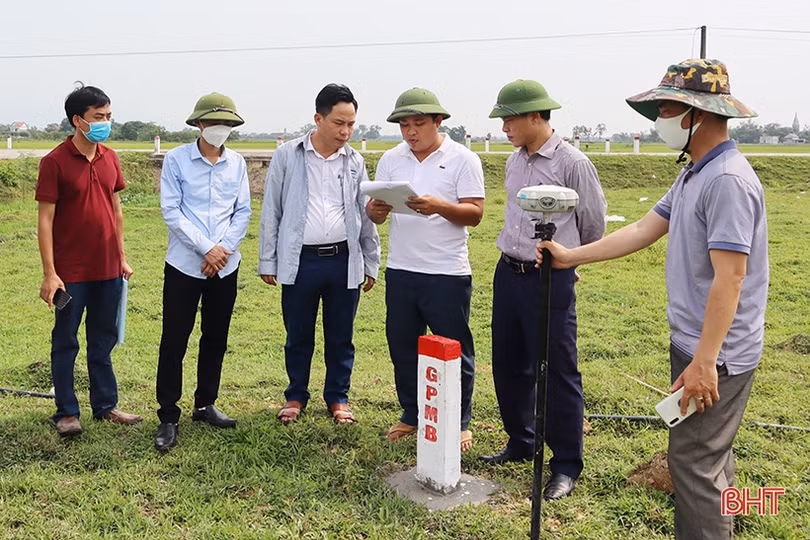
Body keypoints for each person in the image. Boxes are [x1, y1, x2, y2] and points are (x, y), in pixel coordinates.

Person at [537, 59, 767, 537]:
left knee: (692, 462)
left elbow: (732, 278)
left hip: (716, 352)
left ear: (698, 114)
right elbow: (644, 228)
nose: (660, 119)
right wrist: (569, 256)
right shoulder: (694, 174)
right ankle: (728, 521)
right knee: (711, 454)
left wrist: (705, 362)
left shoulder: (727, 181)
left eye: (667, 108)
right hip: (697, 341)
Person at [480, 80, 607, 501]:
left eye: (510, 119)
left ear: (536, 116)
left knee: (557, 369)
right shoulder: (514, 162)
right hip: (508, 272)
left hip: (549, 277)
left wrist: (572, 260)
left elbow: (593, 223)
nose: (505, 128)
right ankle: (521, 439)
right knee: (509, 361)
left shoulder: (573, 162)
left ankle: (566, 463)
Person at [366, 88, 485, 452]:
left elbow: (475, 214)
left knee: (454, 346)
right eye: (404, 125)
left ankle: (460, 420)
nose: (411, 132)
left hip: (446, 271)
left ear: (438, 121)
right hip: (402, 269)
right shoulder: (391, 159)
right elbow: (374, 210)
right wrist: (377, 212)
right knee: (402, 346)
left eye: (419, 123)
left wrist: (439, 206)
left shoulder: (463, 159)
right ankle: (412, 412)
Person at [259, 84, 380, 425]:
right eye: (339, 122)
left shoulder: (354, 160)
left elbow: (364, 212)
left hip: (343, 258)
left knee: (342, 334)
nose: (345, 131)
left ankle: (338, 398)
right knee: (298, 332)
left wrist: (370, 261)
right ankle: (295, 395)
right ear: (318, 118)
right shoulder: (288, 156)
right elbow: (273, 210)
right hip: (302, 259)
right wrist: (269, 259)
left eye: (351, 124)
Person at [36, 83, 142, 437]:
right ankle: (66, 411)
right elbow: (45, 220)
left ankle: (106, 405)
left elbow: (116, 210)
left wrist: (122, 257)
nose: (106, 122)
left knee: (103, 338)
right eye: (99, 117)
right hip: (71, 274)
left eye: (109, 116)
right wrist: (50, 274)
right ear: (78, 120)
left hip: (108, 269)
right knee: (66, 339)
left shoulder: (110, 157)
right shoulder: (54, 162)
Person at [154, 92, 251, 452]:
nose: (219, 130)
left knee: (216, 338)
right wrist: (206, 248)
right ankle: (168, 415)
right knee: (174, 340)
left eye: (226, 124)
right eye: (213, 123)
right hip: (184, 264)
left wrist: (221, 250)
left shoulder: (237, 163)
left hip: (225, 266)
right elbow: (172, 211)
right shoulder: (177, 160)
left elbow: (242, 211)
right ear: (198, 124)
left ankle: (205, 403)